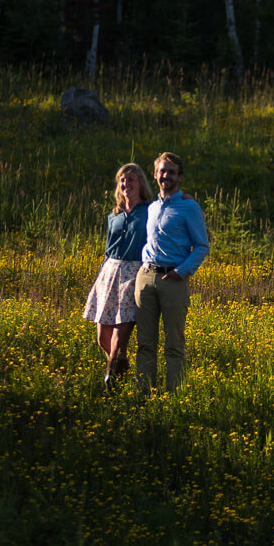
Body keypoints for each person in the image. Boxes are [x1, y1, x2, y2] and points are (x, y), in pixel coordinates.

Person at [135, 151, 209, 393]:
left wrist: (182, 271)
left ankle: (174, 396)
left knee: (174, 345)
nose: (166, 175)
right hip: (145, 278)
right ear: (155, 174)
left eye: (171, 172)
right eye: (162, 171)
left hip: (173, 280)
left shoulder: (189, 207)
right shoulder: (152, 206)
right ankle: (144, 395)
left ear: (180, 177)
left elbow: (201, 246)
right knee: (145, 343)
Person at [83, 161, 153, 392]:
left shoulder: (150, 211)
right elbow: (108, 247)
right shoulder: (113, 215)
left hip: (133, 274)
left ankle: (110, 384)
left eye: (131, 179)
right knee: (102, 337)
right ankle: (119, 368)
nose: (126, 183)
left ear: (141, 182)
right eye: (122, 180)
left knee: (118, 337)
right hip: (109, 273)